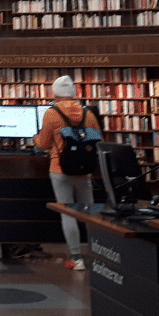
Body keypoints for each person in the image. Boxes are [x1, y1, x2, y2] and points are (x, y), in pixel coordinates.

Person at [33, 75, 102, 272]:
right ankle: (97, 254)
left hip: (59, 170)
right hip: (85, 172)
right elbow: (98, 139)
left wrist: (35, 139)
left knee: (68, 213)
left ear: (55, 93)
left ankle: (76, 258)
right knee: (91, 212)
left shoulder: (51, 113)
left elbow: (45, 144)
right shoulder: (88, 113)